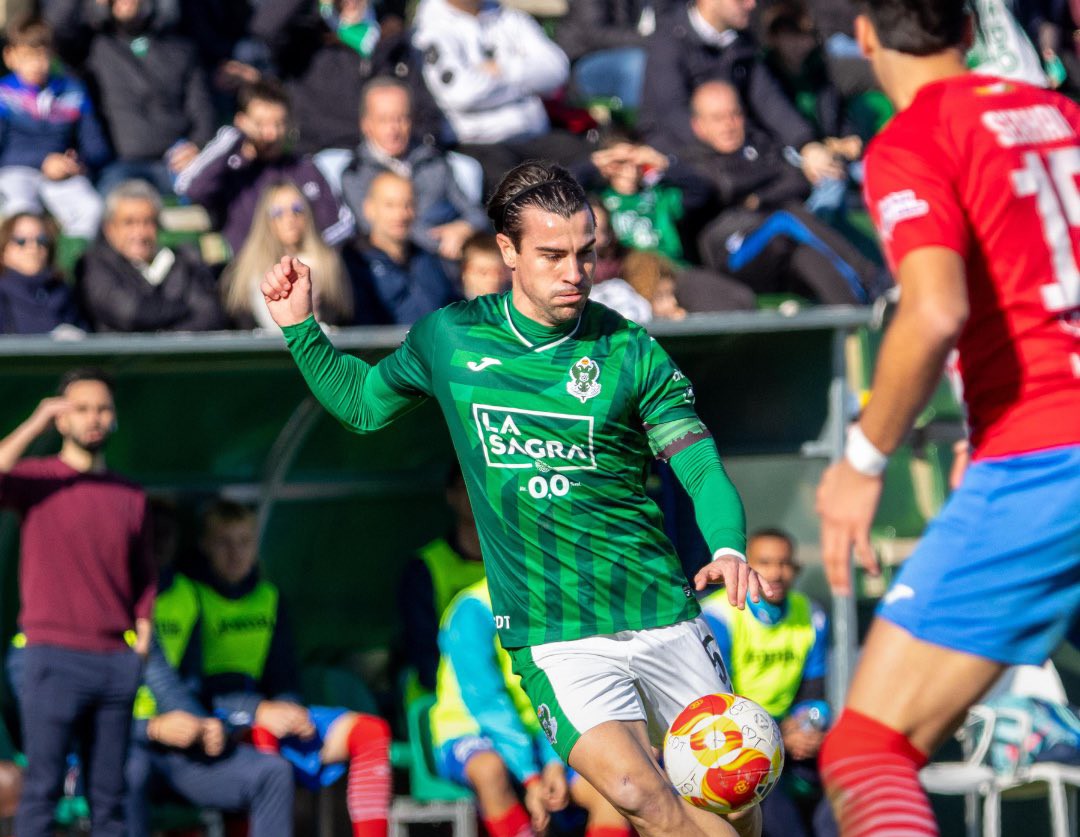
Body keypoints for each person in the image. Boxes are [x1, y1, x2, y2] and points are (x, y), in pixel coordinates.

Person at [262, 159, 774, 837]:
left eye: (586, 254)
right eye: (553, 255)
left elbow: (699, 461)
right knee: (639, 793)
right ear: (507, 251)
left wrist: (729, 543)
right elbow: (361, 404)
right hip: (554, 634)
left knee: (731, 801)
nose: (575, 272)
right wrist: (302, 328)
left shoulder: (629, 350)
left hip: (660, 611)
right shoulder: (451, 338)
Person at [814, 3, 1080, 835]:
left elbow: (932, 313)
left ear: (864, 36)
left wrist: (861, 459)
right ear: (968, 29)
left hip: (1048, 453)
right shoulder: (1065, 118)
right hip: (1035, 439)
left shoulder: (916, 139)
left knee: (865, 749)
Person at [159, 500, 392, 837]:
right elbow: (187, 687)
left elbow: (283, 672)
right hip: (218, 717)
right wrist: (257, 710)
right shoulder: (187, 596)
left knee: (370, 732)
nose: (235, 553)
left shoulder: (270, 597)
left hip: (269, 709)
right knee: (264, 748)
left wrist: (290, 707)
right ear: (205, 545)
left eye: (244, 542)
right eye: (224, 542)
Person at [0, 368, 155, 837]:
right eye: (81, 408)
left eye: (103, 408)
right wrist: (36, 421)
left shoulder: (130, 494)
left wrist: (142, 636)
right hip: (51, 657)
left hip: (114, 662)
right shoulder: (39, 481)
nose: (93, 418)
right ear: (63, 419)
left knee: (110, 798)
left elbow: (144, 576)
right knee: (42, 790)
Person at [432, 576, 633, 837]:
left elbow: (566, 692)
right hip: (472, 730)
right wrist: (530, 776)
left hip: (545, 735)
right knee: (489, 770)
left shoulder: (558, 601)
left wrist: (554, 762)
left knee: (615, 787)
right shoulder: (473, 607)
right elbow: (486, 703)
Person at [684, 81, 882, 304]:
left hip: (773, 245)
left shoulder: (758, 145)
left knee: (805, 254)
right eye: (717, 118)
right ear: (698, 125)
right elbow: (726, 187)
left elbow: (798, 180)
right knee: (788, 216)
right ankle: (871, 276)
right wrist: (768, 183)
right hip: (730, 254)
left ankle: (853, 318)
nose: (728, 125)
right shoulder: (692, 162)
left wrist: (758, 199)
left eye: (735, 115)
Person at [700, 529, 835, 837]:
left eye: (785, 563)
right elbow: (718, 702)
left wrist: (810, 727)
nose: (776, 572)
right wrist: (777, 735)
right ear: (746, 567)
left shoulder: (810, 614)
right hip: (732, 738)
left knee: (845, 775)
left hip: (789, 731)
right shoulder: (718, 616)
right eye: (765, 563)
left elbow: (815, 695)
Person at [638, 0, 845, 188]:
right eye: (740, 0)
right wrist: (732, 153)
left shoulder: (742, 43)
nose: (751, 5)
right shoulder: (669, 41)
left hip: (742, 153)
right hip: (687, 158)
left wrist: (806, 144)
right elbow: (672, 115)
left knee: (827, 178)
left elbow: (769, 100)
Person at [411, 0, 592, 197]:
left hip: (534, 136)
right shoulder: (430, 27)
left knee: (592, 164)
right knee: (519, 197)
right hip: (479, 144)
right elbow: (462, 94)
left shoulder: (509, 16)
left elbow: (557, 69)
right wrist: (527, 79)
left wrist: (503, 69)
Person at [176, 78, 355, 254]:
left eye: (278, 124)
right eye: (260, 124)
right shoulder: (232, 171)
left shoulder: (305, 168)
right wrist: (233, 138)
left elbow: (340, 224)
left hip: (305, 270)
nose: (271, 134)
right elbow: (188, 187)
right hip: (252, 274)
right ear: (241, 122)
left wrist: (304, 255)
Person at [341, 77, 489, 261]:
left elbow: (475, 213)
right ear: (366, 124)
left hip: (455, 262)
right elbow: (376, 230)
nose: (393, 129)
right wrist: (440, 242)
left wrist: (464, 228)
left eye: (400, 119)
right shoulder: (355, 174)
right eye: (383, 120)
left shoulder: (432, 161)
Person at [84, 0, 217, 197]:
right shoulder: (94, 48)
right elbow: (61, 25)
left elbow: (202, 109)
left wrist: (198, 145)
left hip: (175, 159)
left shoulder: (182, 49)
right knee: (114, 203)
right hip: (121, 164)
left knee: (210, 192)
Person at [0, 15, 108, 238]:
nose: (37, 64)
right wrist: (43, 162)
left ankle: (73, 267)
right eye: (28, 56)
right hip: (15, 172)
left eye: (43, 55)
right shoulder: (4, 94)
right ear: (10, 57)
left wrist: (76, 162)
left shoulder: (72, 91)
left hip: (61, 175)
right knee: (21, 213)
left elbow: (95, 145)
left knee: (91, 209)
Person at [76, 180, 228, 333]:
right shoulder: (95, 264)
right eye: (129, 223)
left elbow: (210, 315)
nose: (140, 233)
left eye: (148, 222)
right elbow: (132, 314)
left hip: (178, 354)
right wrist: (185, 307)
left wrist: (168, 339)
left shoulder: (183, 260)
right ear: (110, 228)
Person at [397, 465, 488, 698]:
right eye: (466, 485)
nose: (476, 492)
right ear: (451, 495)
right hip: (444, 700)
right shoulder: (424, 567)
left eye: (484, 484)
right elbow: (422, 650)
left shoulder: (515, 564)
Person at [222, 181, 354, 329]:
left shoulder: (330, 264)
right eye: (278, 212)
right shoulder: (243, 272)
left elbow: (342, 315)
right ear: (265, 219)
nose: (290, 218)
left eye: (297, 209)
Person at [351, 172, 460, 324]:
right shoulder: (352, 263)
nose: (401, 214)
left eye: (408, 205)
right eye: (390, 205)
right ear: (369, 209)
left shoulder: (429, 260)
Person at [0, 212, 82, 334]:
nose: (33, 247)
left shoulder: (62, 291)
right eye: (21, 241)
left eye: (41, 240)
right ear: (3, 249)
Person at [459, 232, 512, 299]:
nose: (494, 279)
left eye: (499, 272)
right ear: (465, 271)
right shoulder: (448, 305)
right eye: (483, 272)